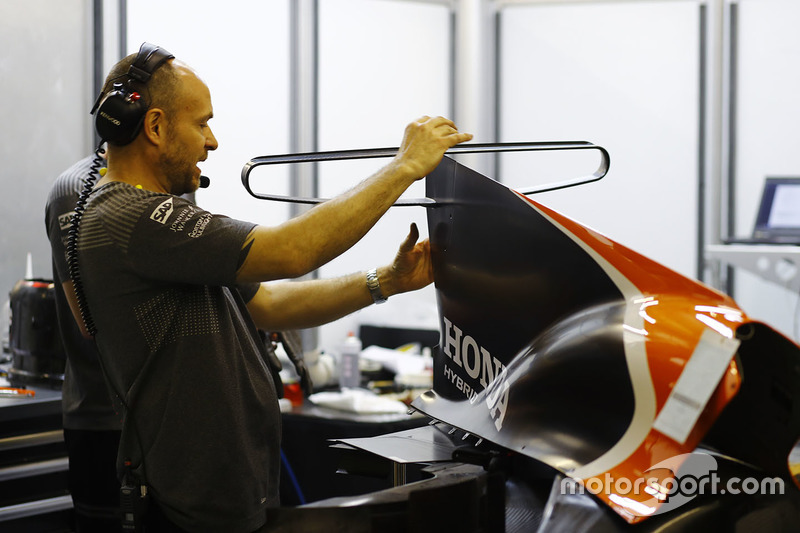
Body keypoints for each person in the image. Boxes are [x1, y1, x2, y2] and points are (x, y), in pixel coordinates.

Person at [70, 44, 472, 532]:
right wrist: (404, 166)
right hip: (190, 511)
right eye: (201, 124)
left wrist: (384, 281)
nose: (212, 141)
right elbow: (290, 252)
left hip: (233, 497)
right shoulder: (128, 218)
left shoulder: (158, 228)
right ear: (153, 127)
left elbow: (270, 303)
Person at [45, 154, 123, 532]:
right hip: (105, 420)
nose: (210, 141)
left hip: (163, 422)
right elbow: (90, 319)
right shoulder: (74, 192)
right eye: (199, 123)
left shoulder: (168, 184)